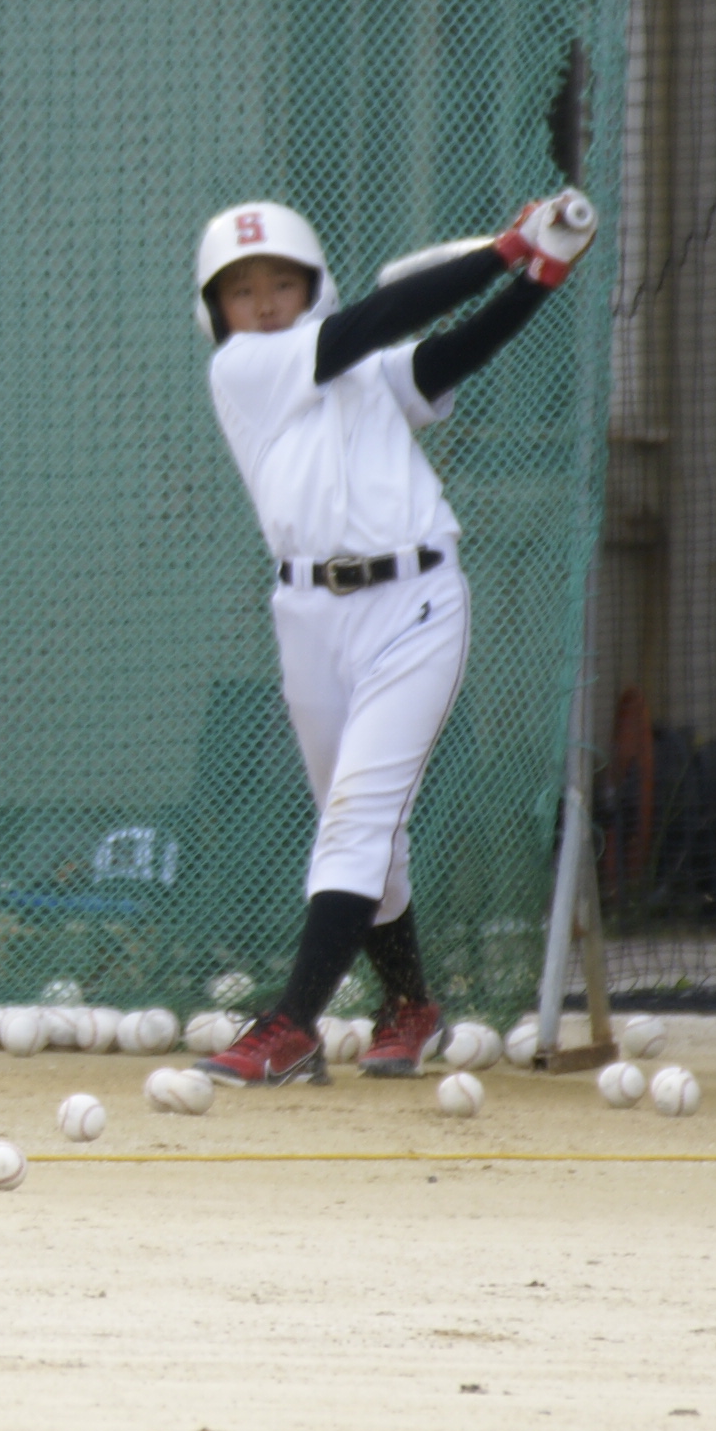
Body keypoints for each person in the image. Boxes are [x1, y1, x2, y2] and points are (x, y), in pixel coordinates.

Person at [189, 187, 600, 1090]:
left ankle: (292, 1024)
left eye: (281, 283)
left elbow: (454, 349)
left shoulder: (362, 369)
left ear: (312, 286)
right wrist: (505, 250)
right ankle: (410, 1004)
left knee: (359, 819)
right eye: (241, 290)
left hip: (415, 603)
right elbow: (375, 321)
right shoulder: (244, 371)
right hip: (308, 618)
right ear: (216, 312)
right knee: (366, 832)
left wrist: (540, 274)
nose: (263, 304)